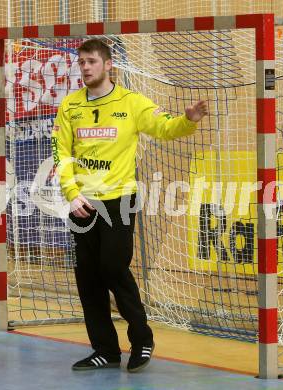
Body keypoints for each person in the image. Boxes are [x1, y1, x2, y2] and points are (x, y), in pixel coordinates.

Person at [51, 38, 208, 373]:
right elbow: (61, 153)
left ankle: (142, 339)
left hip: (119, 199)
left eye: (91, 61)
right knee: (87, 277)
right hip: (82, 201)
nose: (85, 67)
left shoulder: (131, 102)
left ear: (109, 65)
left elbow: (164, 127)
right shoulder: (70, 106)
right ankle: (105, 350)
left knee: (113, 266)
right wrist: (71, 193)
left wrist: (188, 120)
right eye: (81, 62)